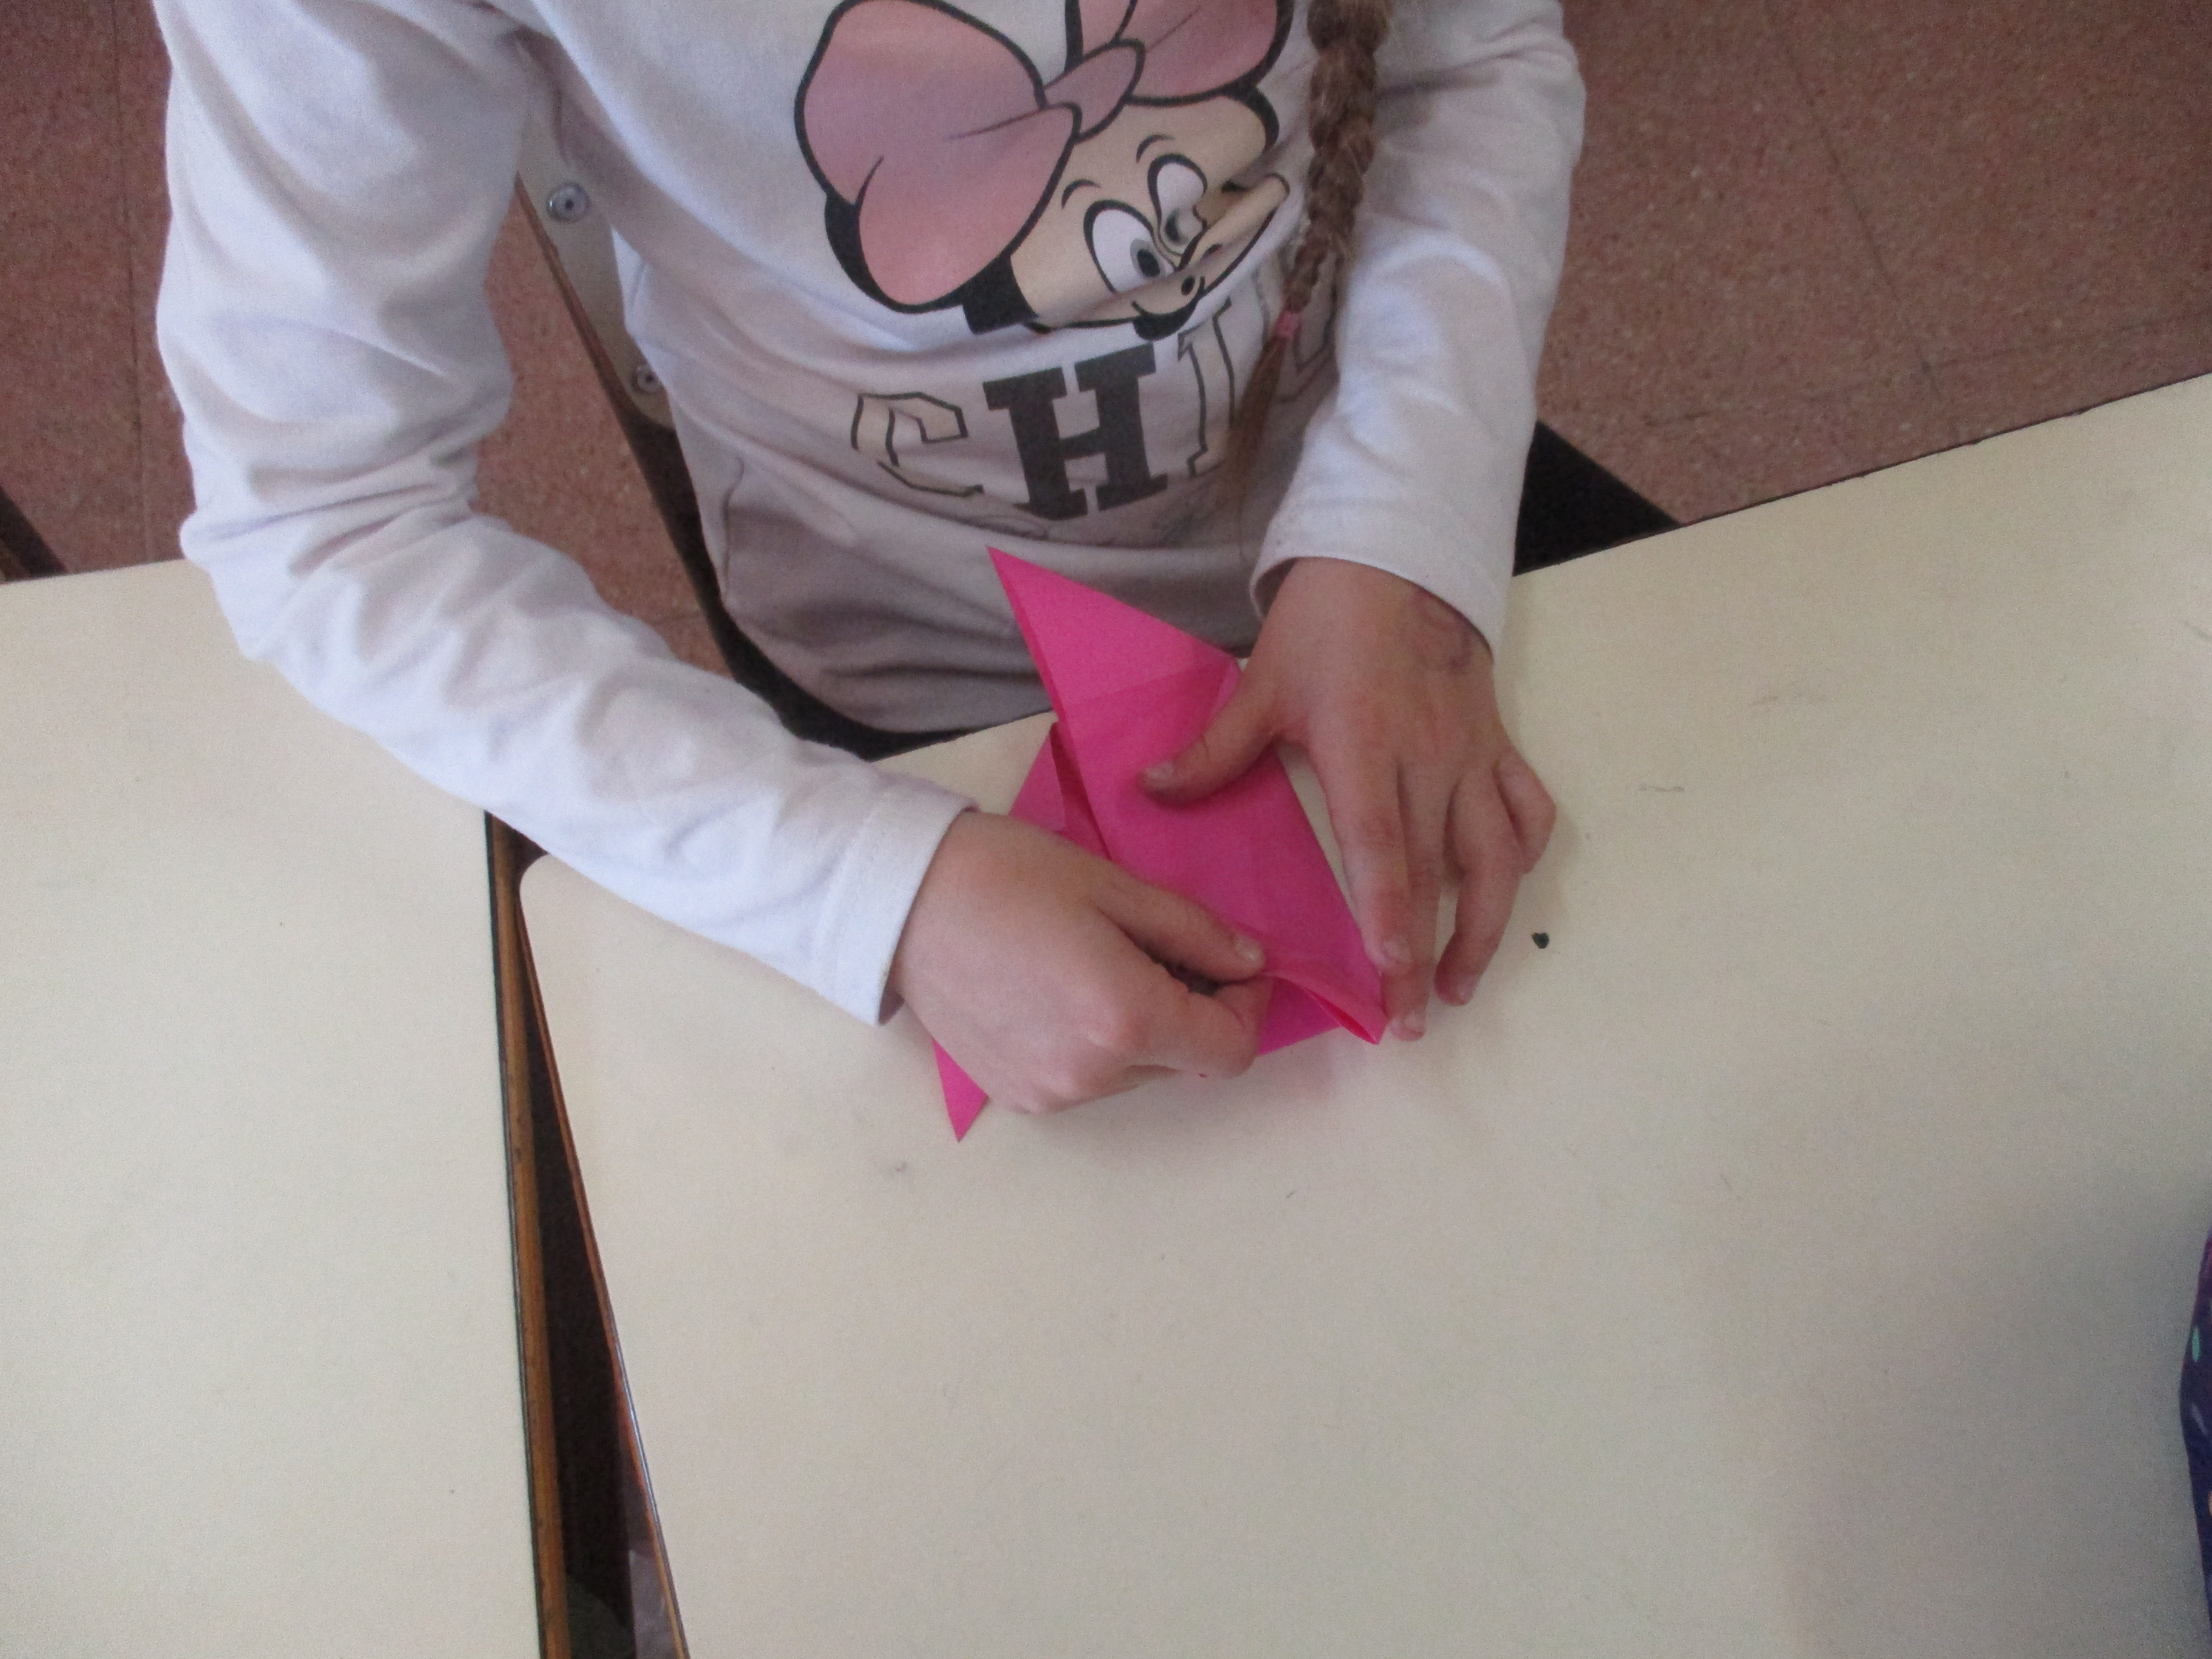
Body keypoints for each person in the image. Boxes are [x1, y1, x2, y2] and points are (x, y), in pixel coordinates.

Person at [154, 0, 1582, 1114]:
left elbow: (1468, 62)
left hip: (1391, 532)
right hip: (906, 672)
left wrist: (1402, 530)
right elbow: (328, 516)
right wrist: (872, 892)